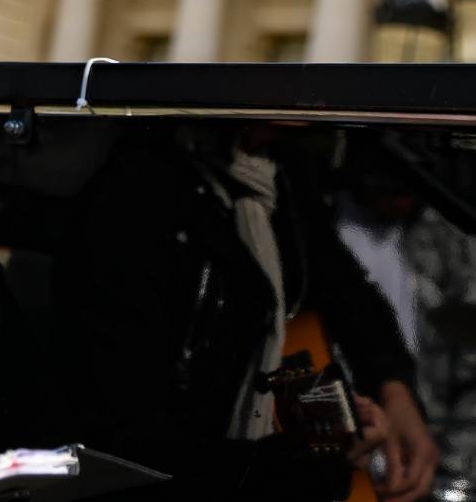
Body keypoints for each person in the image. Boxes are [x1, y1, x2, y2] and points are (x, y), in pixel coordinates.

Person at [51, 122, 439, 502]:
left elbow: (349, 292)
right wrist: (310, 463)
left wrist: (395, 390)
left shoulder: (273, 179)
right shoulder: (134, 202)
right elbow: (132, 448)